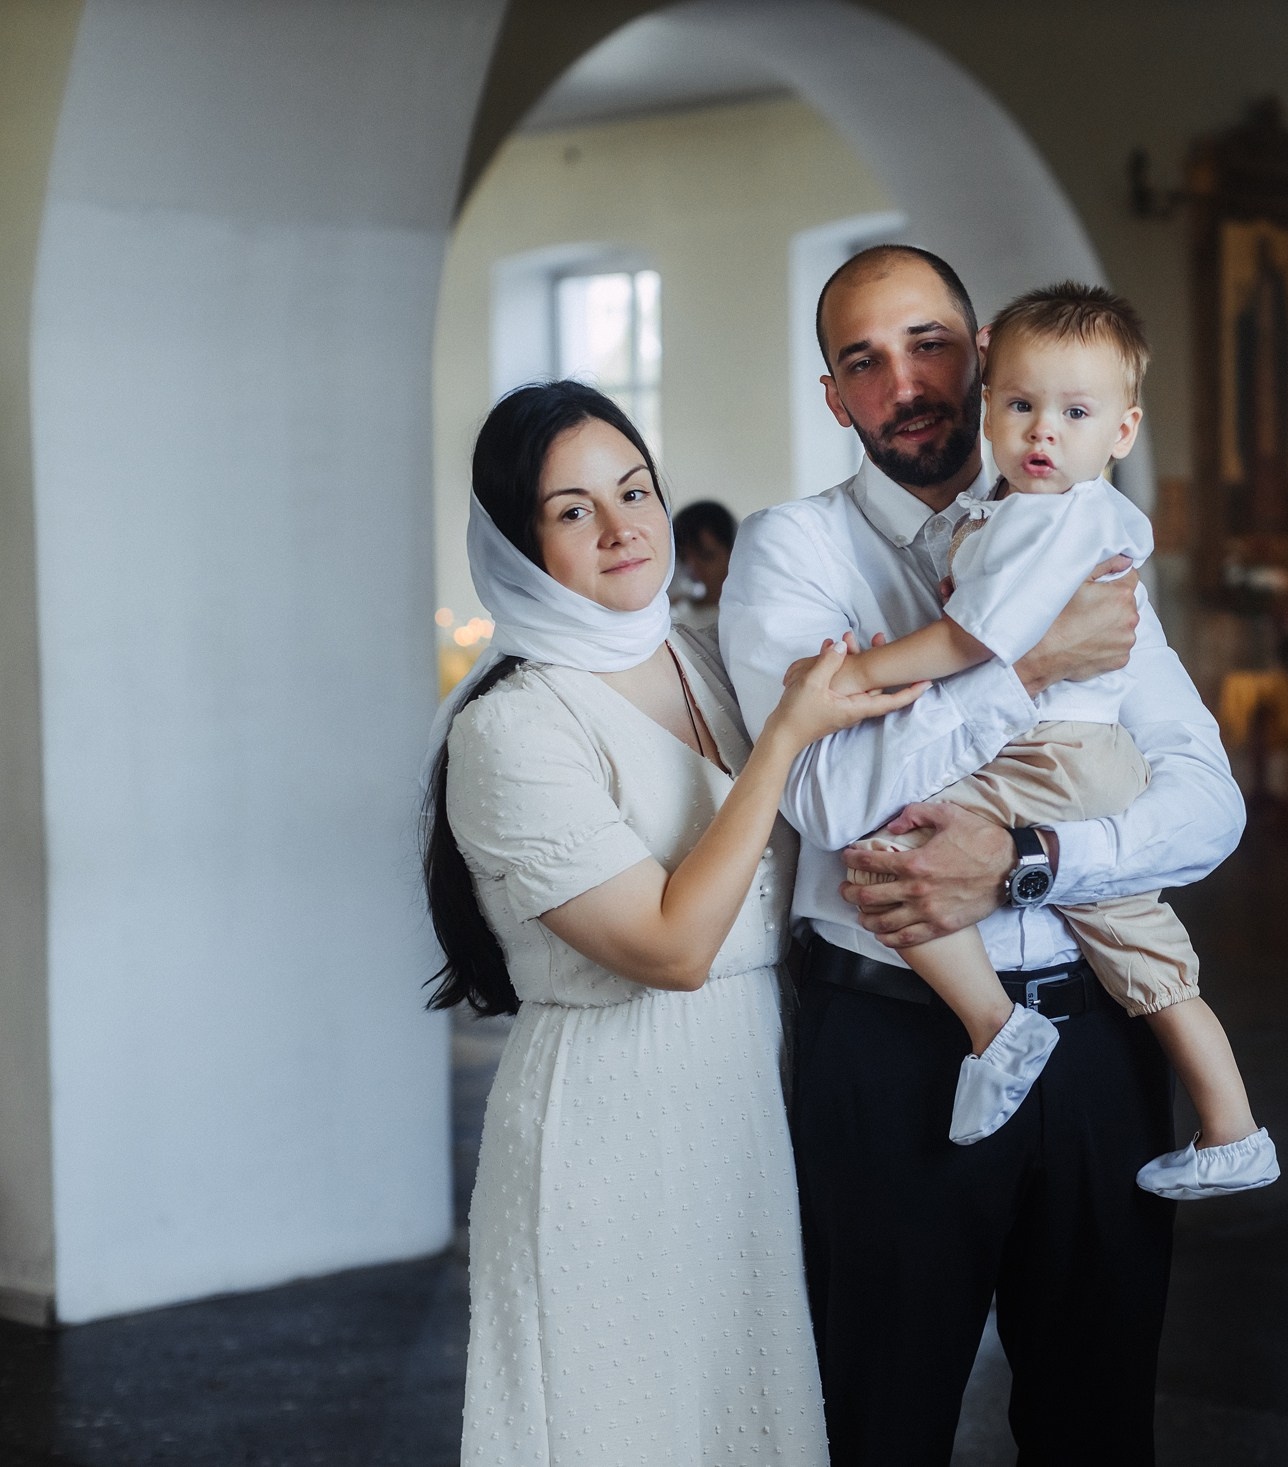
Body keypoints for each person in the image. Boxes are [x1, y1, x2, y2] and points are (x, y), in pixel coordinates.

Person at [720, 246, 1245, 1465]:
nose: (905, 380)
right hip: (892, 1046)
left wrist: (1029, 857)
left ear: (980, 351)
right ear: (835, 396)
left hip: (1098, 1034)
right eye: (864, 361)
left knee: (1097, 1423)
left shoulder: (1082, 535)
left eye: (929, 344)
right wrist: (1028, 667)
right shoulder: (791, 554)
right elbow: (832, 793)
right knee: (881, 1419)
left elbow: (1206, 804)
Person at [422, 381, 924, 1467]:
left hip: (746, 1092)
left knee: (741, 1408)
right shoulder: (513, 725)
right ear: (515, 541)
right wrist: (788, 735)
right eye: (570, 509)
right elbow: (670, 948)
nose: (622, 528)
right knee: (623, 1418)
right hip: (610, 1111)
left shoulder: (707, 657)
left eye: (633, 488)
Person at [793, 281, 1278, 1199]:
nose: (1041, 432)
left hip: (1050, 758)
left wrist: (863, 671)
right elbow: (818, 789)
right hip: (1075, 762)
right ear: (992, 397)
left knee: (890, 843)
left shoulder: (1056, 518)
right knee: (1149, 956)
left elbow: (971, 642)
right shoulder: (1022, 514)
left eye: (1074, 412)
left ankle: (996, 1028)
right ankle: (1233, 1125)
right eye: (1021, 407)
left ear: (1121, 432)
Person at [672, 498, 736, 635]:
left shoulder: (752, 611)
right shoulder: (674, 613)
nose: (693, 566)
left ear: (733, 551)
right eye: (684, 557)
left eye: (706, 555)